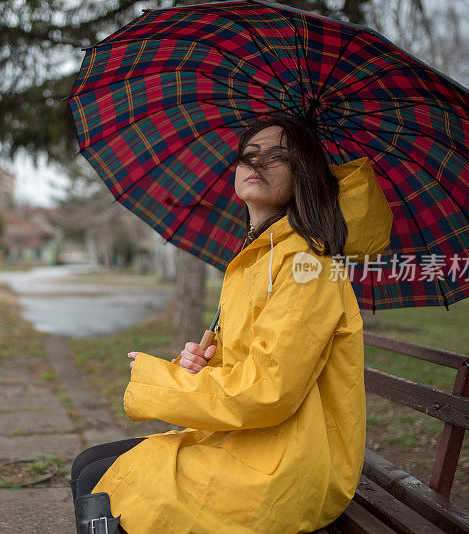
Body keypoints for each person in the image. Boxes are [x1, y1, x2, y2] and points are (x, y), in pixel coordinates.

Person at [70, 114, 393, 533]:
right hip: (250, 441)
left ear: (305, 175)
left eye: (278, 156)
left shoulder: (304, 266)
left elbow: (269, 390)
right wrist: (205, 364)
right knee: (90, 468)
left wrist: (160, 383)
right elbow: (249, 365)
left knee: (100, 479)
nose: (257, 164)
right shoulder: (257, 258)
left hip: (287, 462)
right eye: (249, 154)